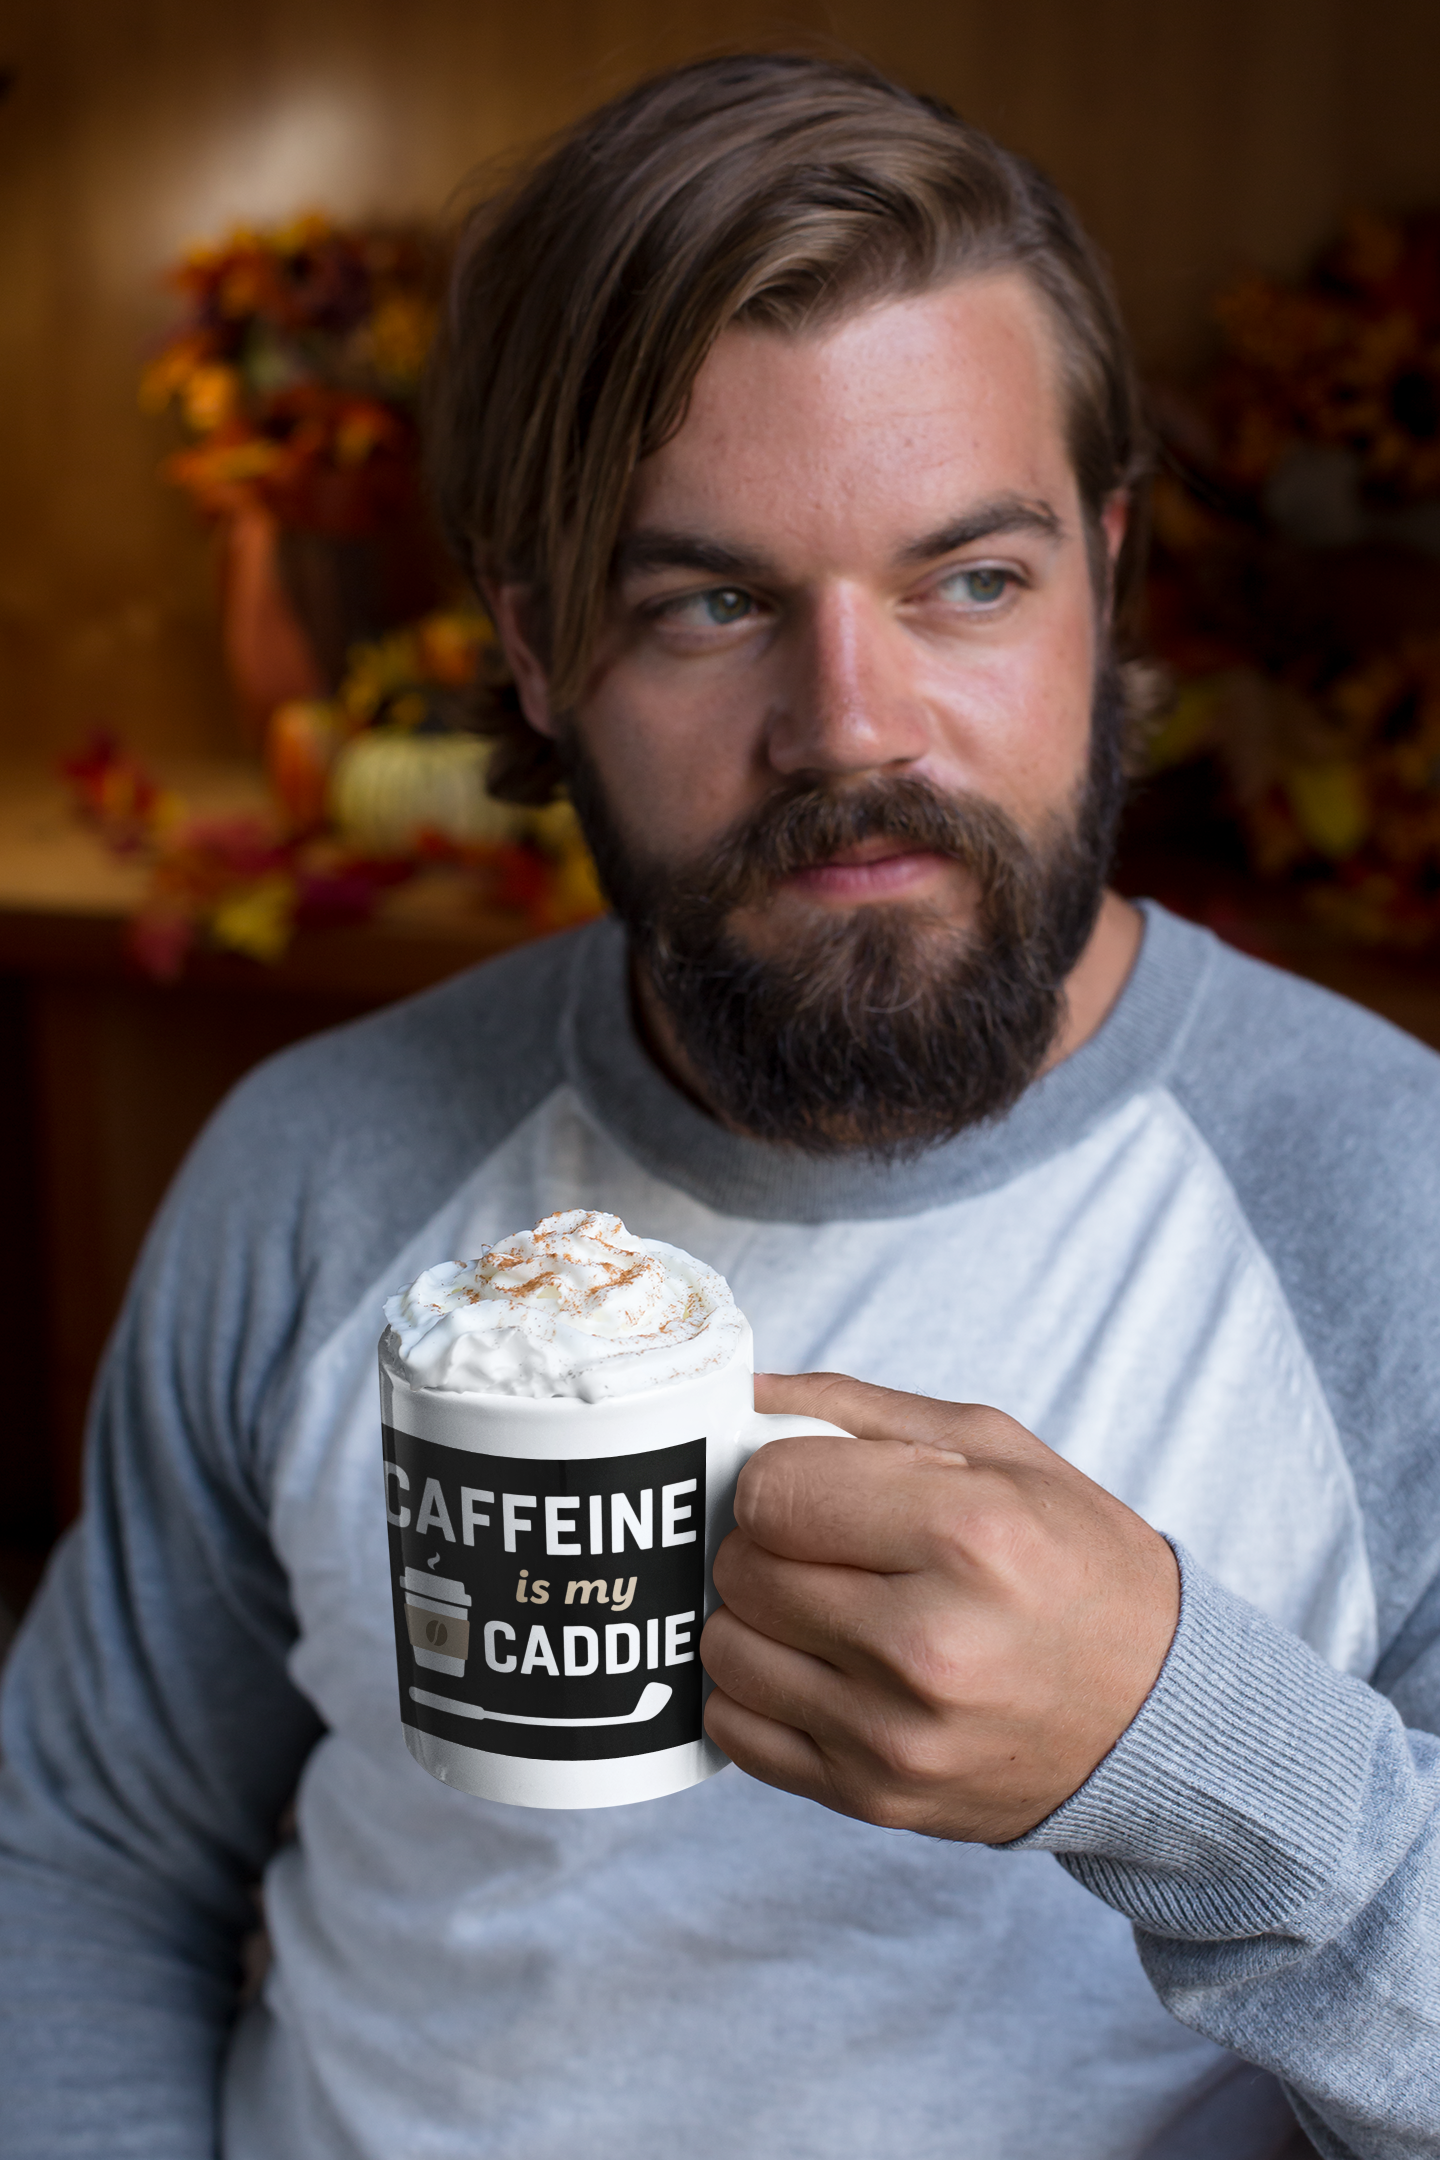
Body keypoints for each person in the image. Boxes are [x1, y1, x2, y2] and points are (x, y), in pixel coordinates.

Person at [2, 51, 1437, 2160]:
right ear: (536, 647)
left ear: (1106, 580)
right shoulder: (318, 1166)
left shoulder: (1387, 1211)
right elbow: (88, 1864)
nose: (849, 727)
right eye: (709, 601)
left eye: (971, 580)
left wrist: (1175, 1753)